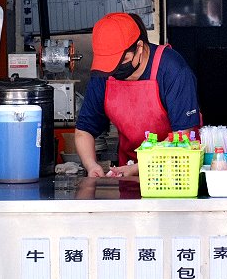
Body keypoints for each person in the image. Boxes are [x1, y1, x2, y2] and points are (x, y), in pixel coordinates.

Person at [75, 12, 200, 179]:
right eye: (110, 64)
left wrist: (139, 167)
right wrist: (91, 165)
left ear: (139, 47)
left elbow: (183, 136)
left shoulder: (172, 70)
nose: (114, 69)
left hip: (177, 172)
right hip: (127, 175)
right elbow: (84, 130)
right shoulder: (103, 76)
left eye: (122, 59)